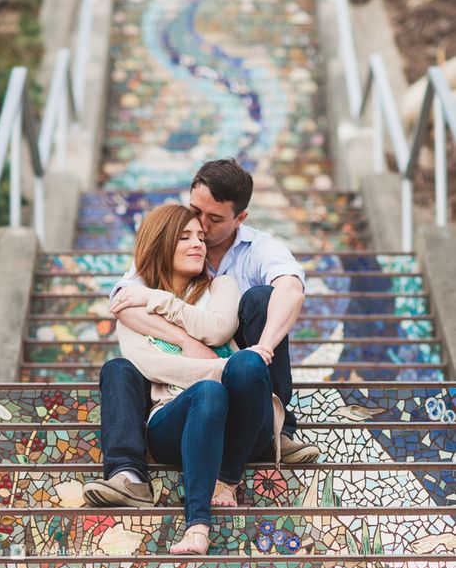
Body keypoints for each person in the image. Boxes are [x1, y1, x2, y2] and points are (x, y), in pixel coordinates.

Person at [84, 158, 319, 510]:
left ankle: (277, 428)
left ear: (240, 218)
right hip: (185, 396)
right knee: (118, 369)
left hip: (246, 388)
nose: (202, 230)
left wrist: (261, 352)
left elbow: (290, 291)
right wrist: (185, 340)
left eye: (214, 219)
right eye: (196, 213)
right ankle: (128, 475)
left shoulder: (256, 253)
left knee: (261, 300)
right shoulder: (168, 247)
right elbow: (122, 302)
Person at [84, 204, 284, 555]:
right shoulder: (130, 305)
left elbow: (219, 327)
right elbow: (150, 366)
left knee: (250, 365)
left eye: (201, 238)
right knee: (209, 390)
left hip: (240, 424)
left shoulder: (222, 286)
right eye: (185, 237)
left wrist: (160, 301)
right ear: (161, 243)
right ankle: (196, 525)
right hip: (173, 419)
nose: (198, 245)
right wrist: (213, 364)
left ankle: (228, 477)